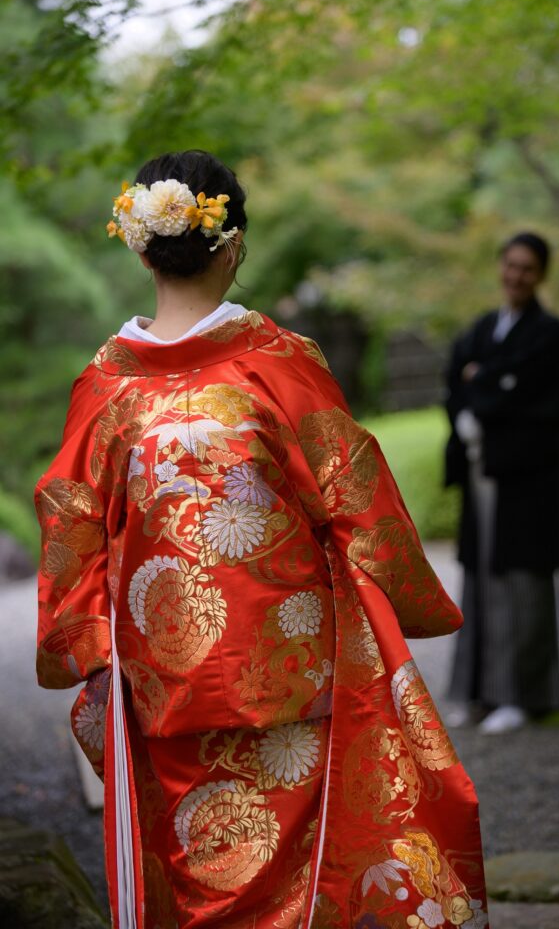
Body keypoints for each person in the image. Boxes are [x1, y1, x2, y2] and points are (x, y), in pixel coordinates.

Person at [35, 151, 487, 929]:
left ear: (138, 248)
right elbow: (359, 495)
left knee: (196, 860)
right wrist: (410, 595)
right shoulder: (278, 364)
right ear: (233, 245)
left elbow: (70, 528)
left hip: (161, 678)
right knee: (297, 874)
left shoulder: (106, 388)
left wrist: (91, 654)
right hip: (290, 666)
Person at [443, 231, 559, 735]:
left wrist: (486, 385)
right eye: (511, 265)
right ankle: (477, 693)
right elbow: (456, 379)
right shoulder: (482, 328)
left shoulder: (548, 332)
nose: (517, 275)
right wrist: (483, 388)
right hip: (480, 471)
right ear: (501, 266)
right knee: (479, 579)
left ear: (540, 275)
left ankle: (524, 695)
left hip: (524, 478)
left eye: (528, 268)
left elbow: (527, 394)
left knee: (522, 581)